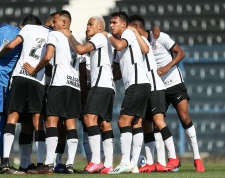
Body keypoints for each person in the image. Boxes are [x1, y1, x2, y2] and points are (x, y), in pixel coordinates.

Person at [130, 15, 205, 172]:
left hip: (174, 82)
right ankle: (163, 162)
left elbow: (180, 53)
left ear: (136, 27)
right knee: (157, 121)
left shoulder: (160, 36)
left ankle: (197, 158)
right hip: (157, 87)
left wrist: (166, 67)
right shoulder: (136, 44)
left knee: (184, 118)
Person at [0, 15, 51, 174]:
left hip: (20, 76)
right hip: (37, 79)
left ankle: (5, 162)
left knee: (13, 117)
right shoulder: (52, 34)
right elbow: (50, 59)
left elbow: (11, 46)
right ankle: (41, 164)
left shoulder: (28, 28)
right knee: (37, 119)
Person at [24, 10, 80, 174]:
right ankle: (69, 165)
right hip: (74, 85)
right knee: (70, 124)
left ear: (64, 23)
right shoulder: (75, 41)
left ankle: (47, 164)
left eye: (54, 22)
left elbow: (48, 57)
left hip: (60, 83)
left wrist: (35, 70)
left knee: (51, 121)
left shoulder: (55, 36)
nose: (51, 25)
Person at [59, 16, 115, 174]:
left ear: (99, 28)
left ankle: (96, 161)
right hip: (108, 85)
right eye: (87, 24)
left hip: (100, 84)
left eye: (91, 24)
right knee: (104, 123)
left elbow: (80, 49)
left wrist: (68, 35)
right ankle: (108, 164)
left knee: (89, 117)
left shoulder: (99, 37)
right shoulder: (105, 40)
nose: (87, 27)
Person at [128, 15, 180, 172]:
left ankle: (173, 158)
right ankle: (150, 162)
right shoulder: (135, 42)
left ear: (135, 28)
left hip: (155, 86)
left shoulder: (145, 43)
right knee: (146, 125)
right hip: (145, 87)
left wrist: (153, 28)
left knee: (158, 121)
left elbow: (147, 44)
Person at [102, 12, 151, 174]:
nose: (111, 25)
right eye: (110, 23)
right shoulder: (126, 39)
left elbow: (119, 46)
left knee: (123, 122)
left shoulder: (128, 34)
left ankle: (124, 161)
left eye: (114, 22)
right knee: (136, 123)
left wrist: (107, 35)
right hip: (140, 84)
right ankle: (133, 165)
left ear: (124, 24)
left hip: (137, 84)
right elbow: (117, 70)